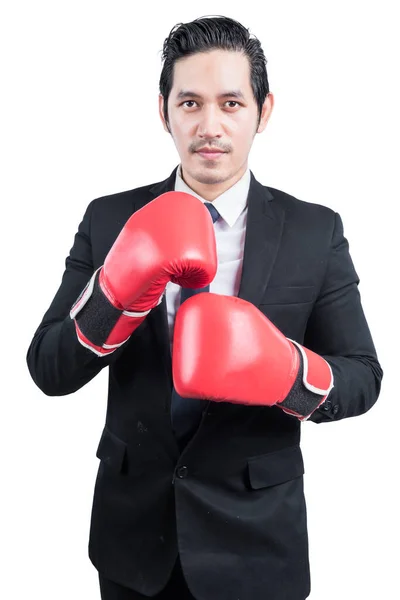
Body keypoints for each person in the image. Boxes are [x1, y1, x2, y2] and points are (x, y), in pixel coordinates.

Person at [26, 15, 383, 600]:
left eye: (232, 103)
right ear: (162, 110)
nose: (209, 125)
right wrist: (114, 297)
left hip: (258, 544)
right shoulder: (110, 218)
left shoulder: (314, 231)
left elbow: (362, 377)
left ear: (263, 111)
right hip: (133, 538)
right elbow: (48, 369)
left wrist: (288, 373)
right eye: (189, 102)